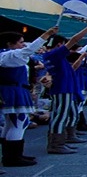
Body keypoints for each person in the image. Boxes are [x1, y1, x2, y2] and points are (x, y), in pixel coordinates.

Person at [0, 26, 58, 166]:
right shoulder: (8, 55)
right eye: (20, 42)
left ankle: (13, 155)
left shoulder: (7, 55)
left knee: (11, 123)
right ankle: (12, 157)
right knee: (18, 122)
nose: (22, 45)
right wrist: (46, 34)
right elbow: (28, 50)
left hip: (15, 90)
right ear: (9, 43)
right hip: (13, 91)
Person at [43, 23, 87, 154]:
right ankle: (56, 144)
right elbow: (74, 40)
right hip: (62, 89)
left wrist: (81, 57)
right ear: (59, 44)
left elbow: (71, 69)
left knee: (63, 115)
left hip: (65, 87)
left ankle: (62, 140)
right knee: (60, 116)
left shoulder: (55, 57)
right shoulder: (54, 55)